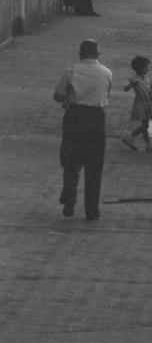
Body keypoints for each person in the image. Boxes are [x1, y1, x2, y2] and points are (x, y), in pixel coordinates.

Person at [53, 39, 112, 221]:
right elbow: (106, 94)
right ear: (98, 54)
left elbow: (58, 95)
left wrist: (69, 96)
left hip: (75, 116)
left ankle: (70, 194)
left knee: (71, 159)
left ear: (80, 53)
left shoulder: (71, 71)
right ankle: (92, 211)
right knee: (94, 165)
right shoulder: (106, 72)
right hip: (96, 118)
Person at [122, 55, 152, 150]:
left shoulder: (146, 77)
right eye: (145, 67)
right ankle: (147, 144)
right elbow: (126, 88)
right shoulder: (135, 79)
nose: (147, 69)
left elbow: (151, 88)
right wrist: (131, 85)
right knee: (145, 125)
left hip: (148, 102)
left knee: (145, 125)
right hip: (142, 104)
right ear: (139, 68)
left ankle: (132, 139)